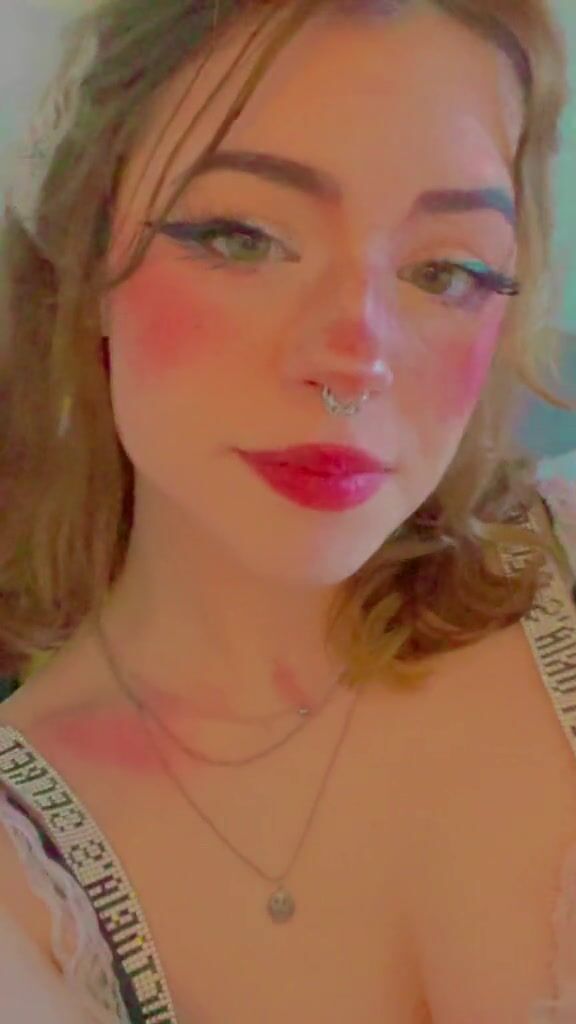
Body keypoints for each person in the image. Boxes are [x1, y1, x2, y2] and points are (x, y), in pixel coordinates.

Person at [0, 0, 574, 1020]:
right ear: (86, 263)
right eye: (244, 238)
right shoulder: (25, 892)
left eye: (443, 270)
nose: (356, 365)